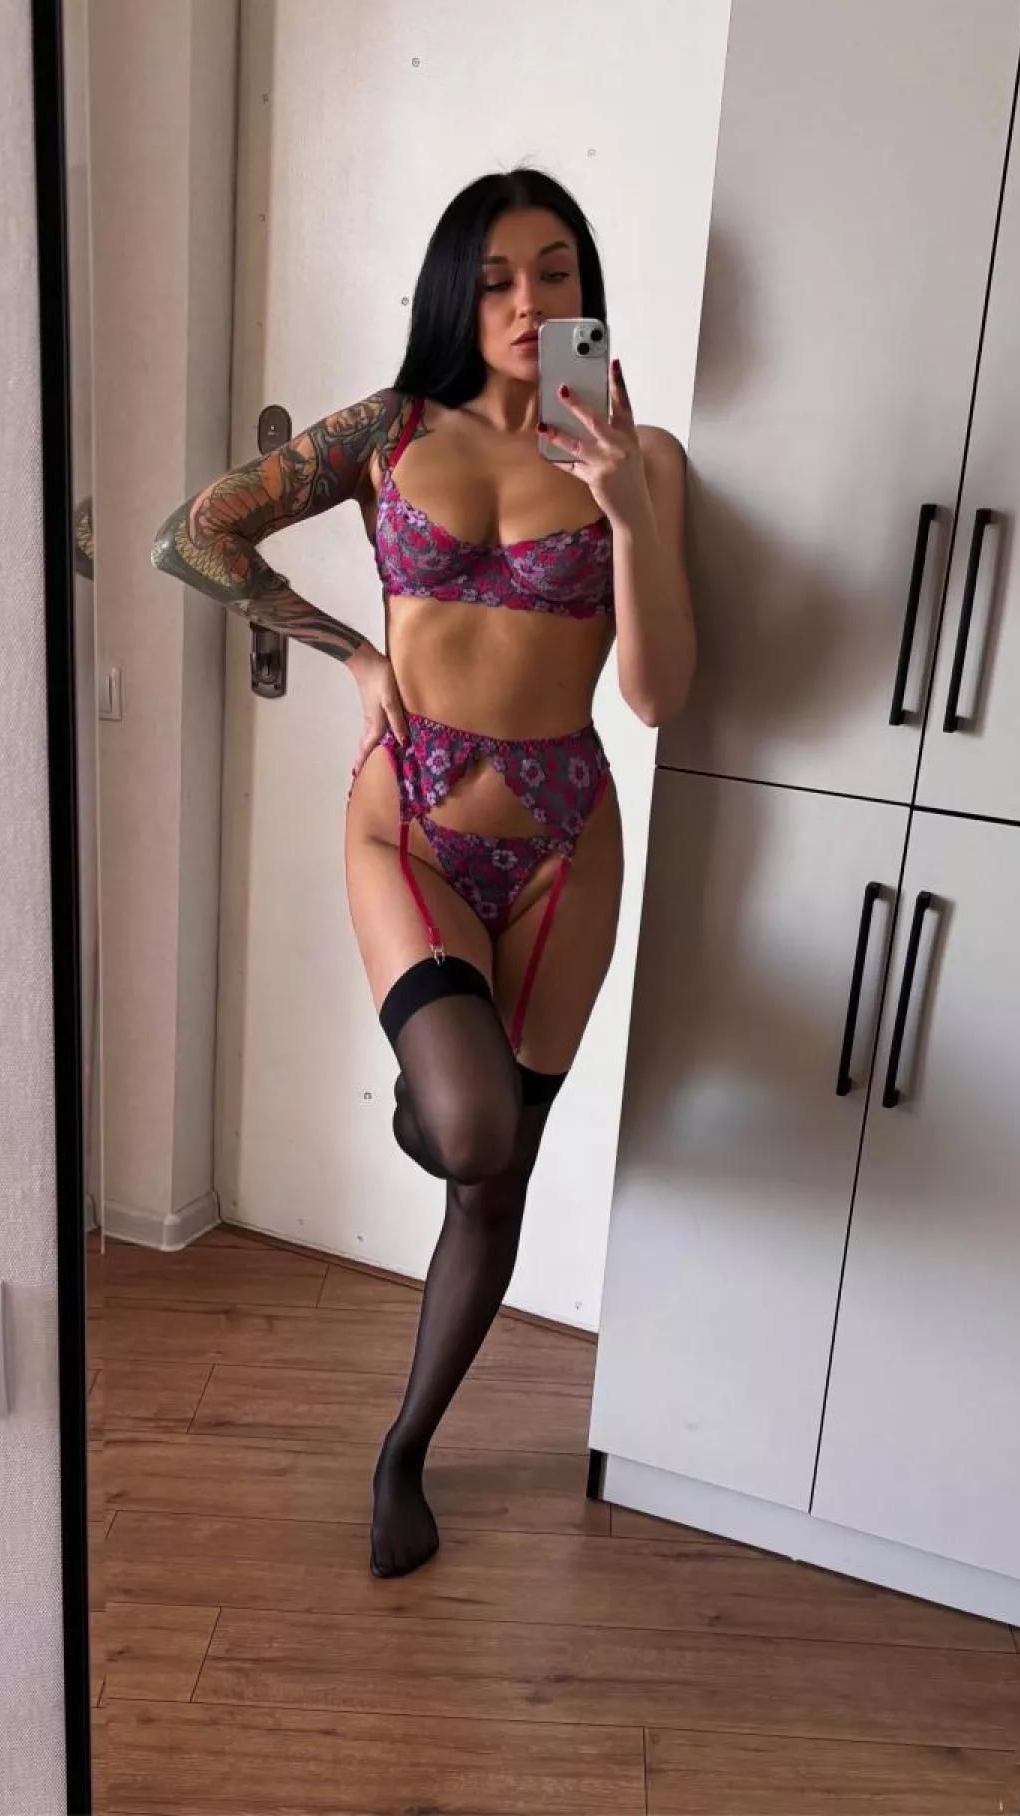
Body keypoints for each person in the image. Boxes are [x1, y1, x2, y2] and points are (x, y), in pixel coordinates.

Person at [152, 167, 694, 1578]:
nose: (527, 302)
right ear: (458, 289)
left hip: (567, 840)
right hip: (411, 826)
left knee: (492, 1179)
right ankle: (436, 1103)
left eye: (555, 272)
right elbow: (190, 533)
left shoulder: (645, 458)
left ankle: (404, 1450)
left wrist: (627, 510)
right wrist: (349, 650)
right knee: (467, 1125)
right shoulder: (388, 433)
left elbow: (656, 697)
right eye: (497, 276)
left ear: (586, 291)